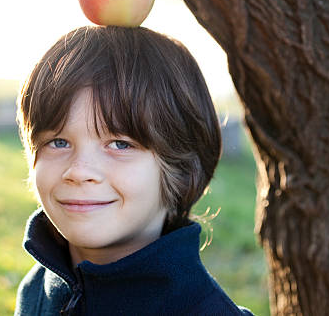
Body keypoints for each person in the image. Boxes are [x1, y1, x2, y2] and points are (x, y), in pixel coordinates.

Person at [14, 25, 253, 315]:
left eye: (119, 145)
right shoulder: (37, 289)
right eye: (59, 142)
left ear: (179, 170)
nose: (78, 171)